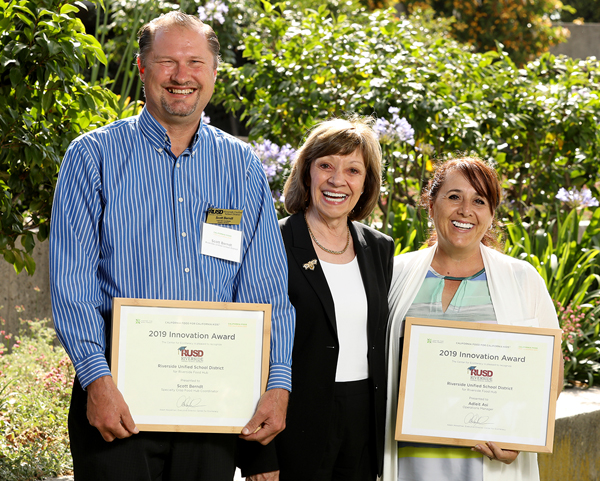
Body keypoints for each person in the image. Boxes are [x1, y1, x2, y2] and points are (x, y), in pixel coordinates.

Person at [49, 11, 295, 481]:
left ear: (214, 73)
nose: (182, 76)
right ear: (143, 69)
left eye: (196, 63)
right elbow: (70, 284)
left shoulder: (241, 166)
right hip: (116, 398)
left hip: (214, 400)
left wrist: (277, 383)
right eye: (167, 62)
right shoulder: (92, 157)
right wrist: (95, 379)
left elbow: (266, 289)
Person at [383, 156, 564, 481]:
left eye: (479, 200)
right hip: (408, 462)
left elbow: (550, 374)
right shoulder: (394, 275)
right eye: (454, 197)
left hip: (488, 465)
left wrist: (521, 435)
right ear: (431, 203)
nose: (465, 210)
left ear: (491, 214)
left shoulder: (522, 280)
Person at [238, 118, 394, 481]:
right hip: (292, 426)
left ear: (366, 182)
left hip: (363, 430)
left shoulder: (379, 249)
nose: (338, 180)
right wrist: (258, 456)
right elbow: (249, 348)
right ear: (306, 172)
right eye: (326, 165)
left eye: (353, 170)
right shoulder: (271, 242)